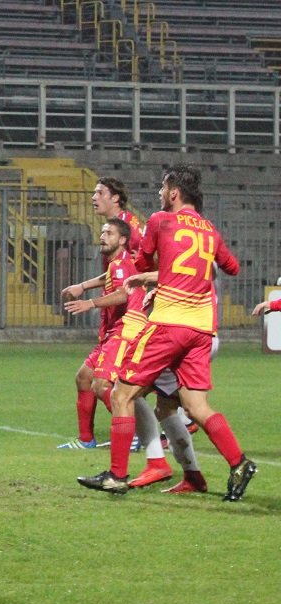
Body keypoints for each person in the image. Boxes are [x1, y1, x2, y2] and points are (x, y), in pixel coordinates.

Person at [78, 165, 256, 501]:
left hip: (169, 324)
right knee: (195, 405)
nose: (160, 193)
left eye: (162, 187)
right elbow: (231, 267)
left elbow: (144, 262)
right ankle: (239, 462)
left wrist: (151, 275)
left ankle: (117, 475)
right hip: (202, 329)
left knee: (121, 394)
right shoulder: (209, 229)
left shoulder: (161, 220)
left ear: (174, 193)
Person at [58, 178, 142, 447]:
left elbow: (127, 282)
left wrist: (91, 302)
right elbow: (117, 275)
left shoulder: (129, 228)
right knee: (84, 377)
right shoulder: (117, 251)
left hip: (128, 324)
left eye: (100, 192)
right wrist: (83, 286)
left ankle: (140, 433)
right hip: (114, 324)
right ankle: (86, 440)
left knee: (104, 385)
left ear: (116, 198)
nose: (94, 197)